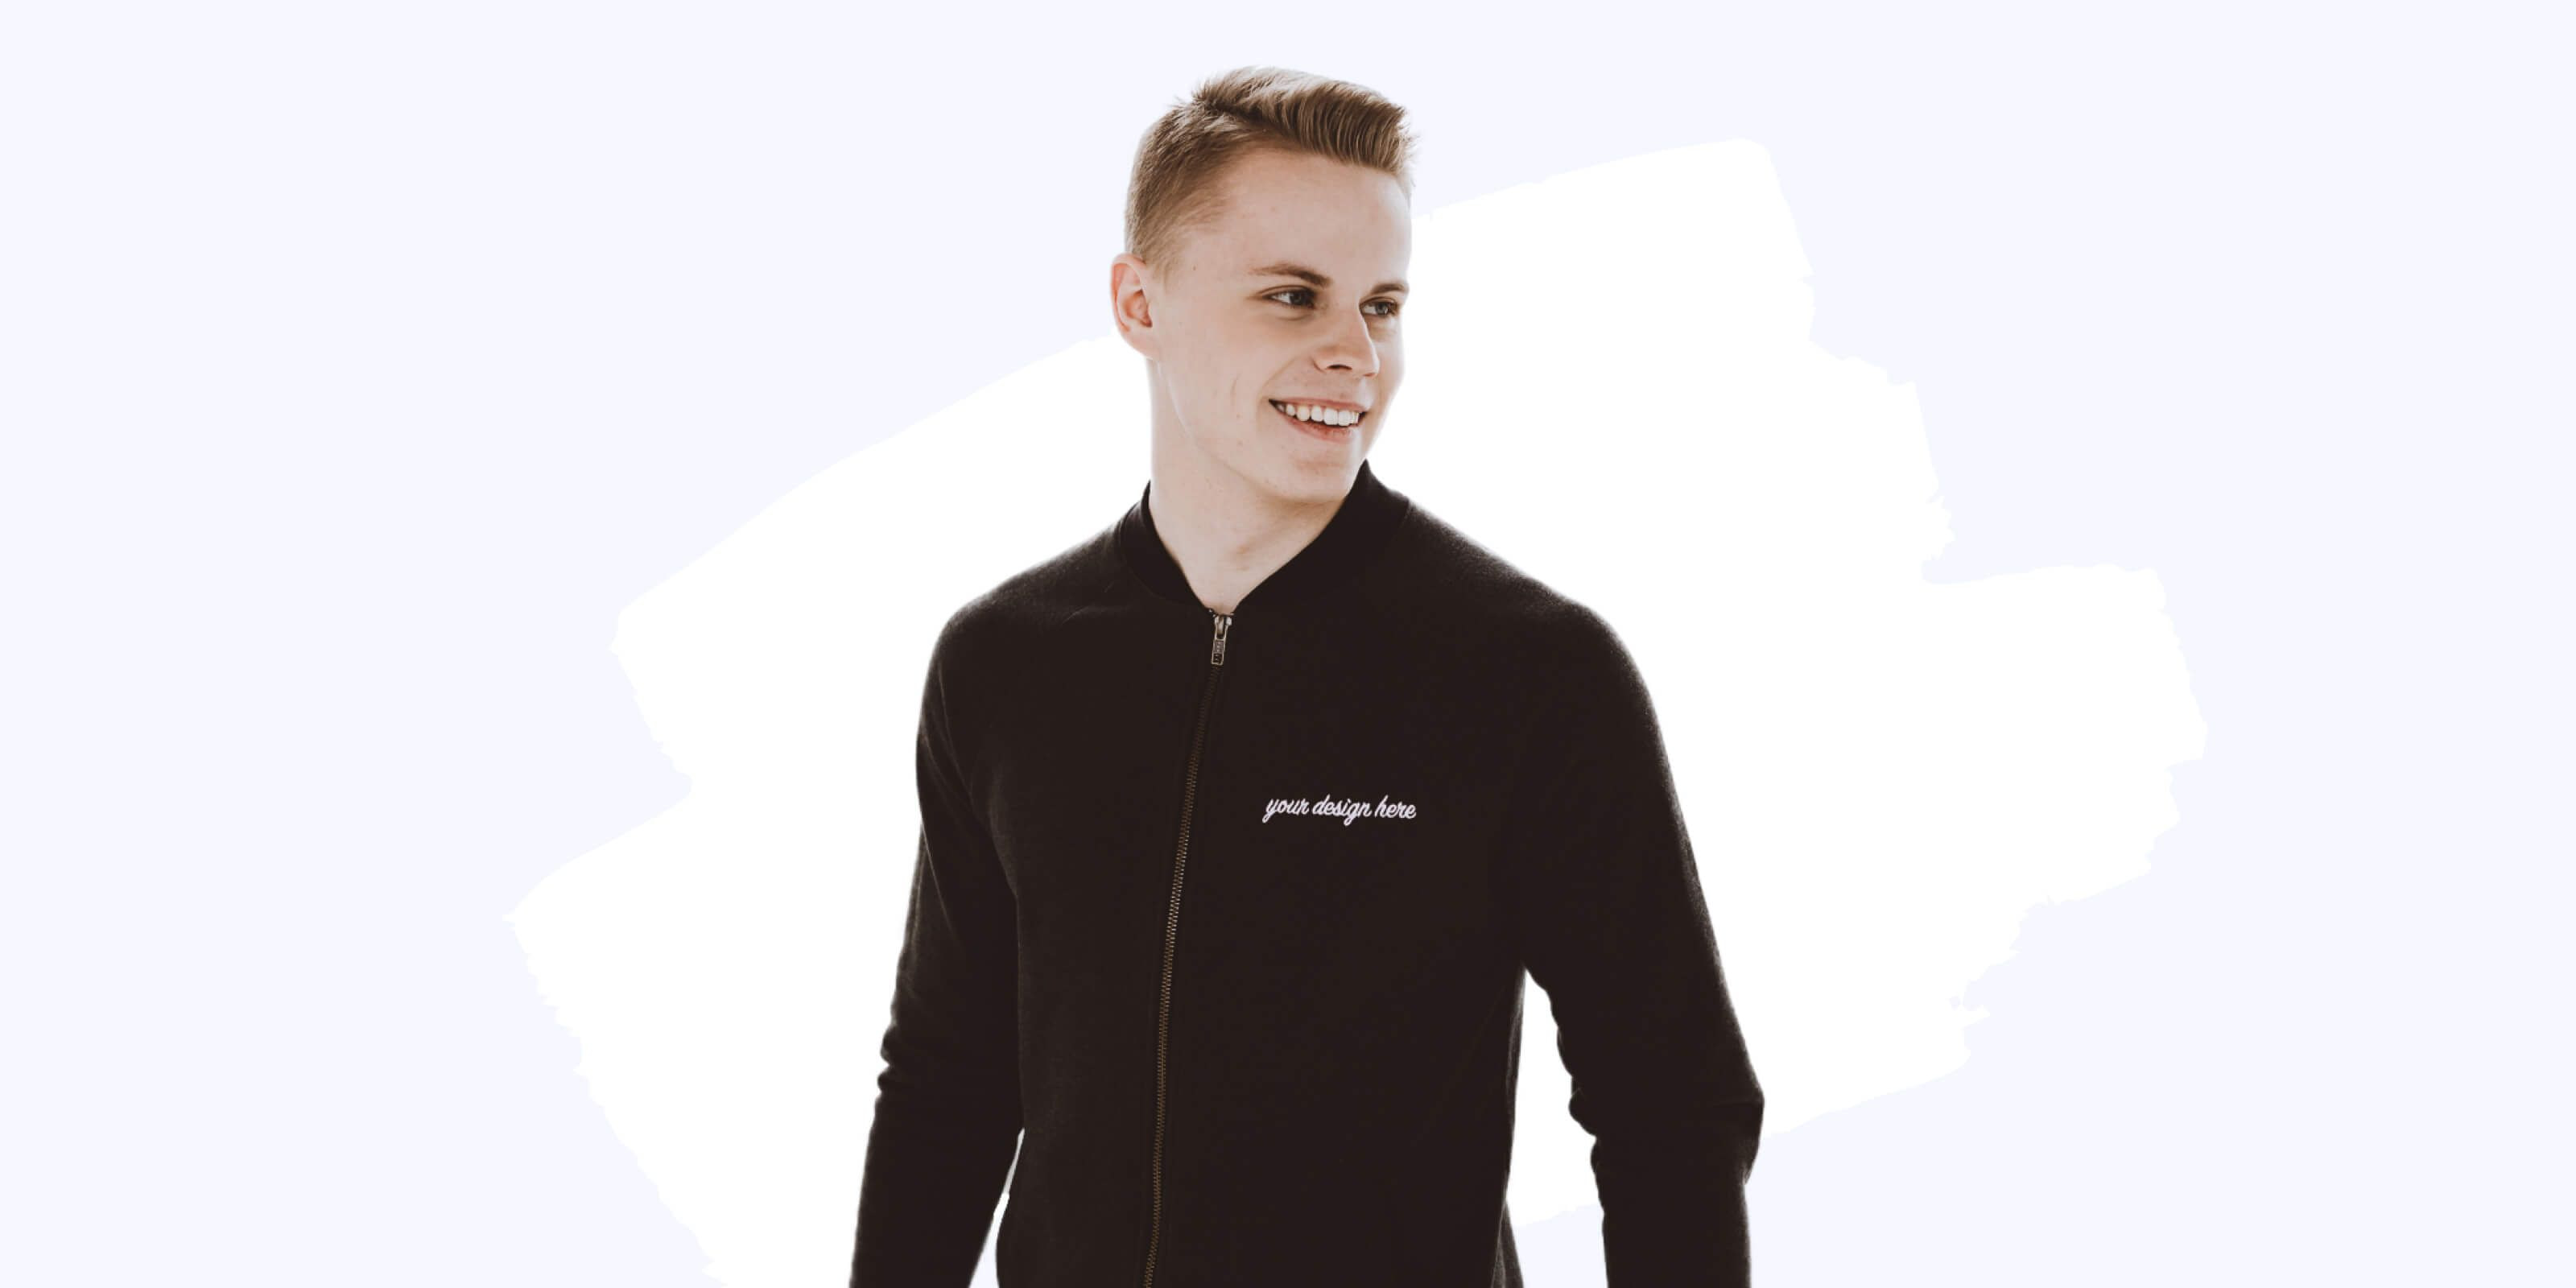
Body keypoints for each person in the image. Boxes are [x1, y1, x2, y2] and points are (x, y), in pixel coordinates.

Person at [852, 65, 1763, 1288]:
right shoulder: (1006, 663)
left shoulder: (1529, 672)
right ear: (1139, 302)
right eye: (1294, 298)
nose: (1356, 354)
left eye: (1382, 306)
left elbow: (1673, 1107)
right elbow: (949, 1081)